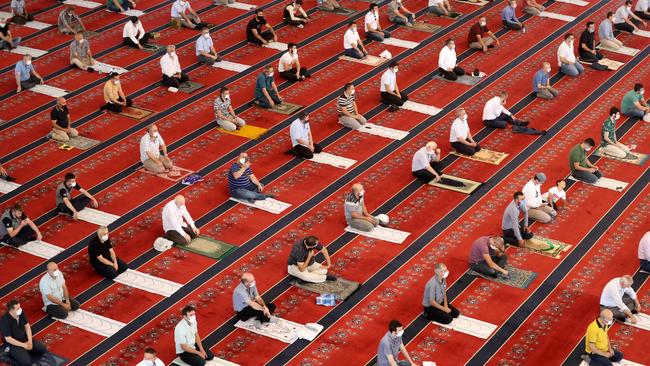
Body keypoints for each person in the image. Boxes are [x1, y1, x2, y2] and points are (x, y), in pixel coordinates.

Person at [0, 300, 47, 366]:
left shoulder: (21, 313)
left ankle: (23, 352)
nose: (20, 309)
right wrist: (24, 345)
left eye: (20, 307)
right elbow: (8, 339)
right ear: (11, 310)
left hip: (23, 337)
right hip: (13, 343)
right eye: (18, 308)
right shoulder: (4, 320)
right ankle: (8, 356)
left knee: (42, 349)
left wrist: (30, 341)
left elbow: (27, 326)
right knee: (26, 362)